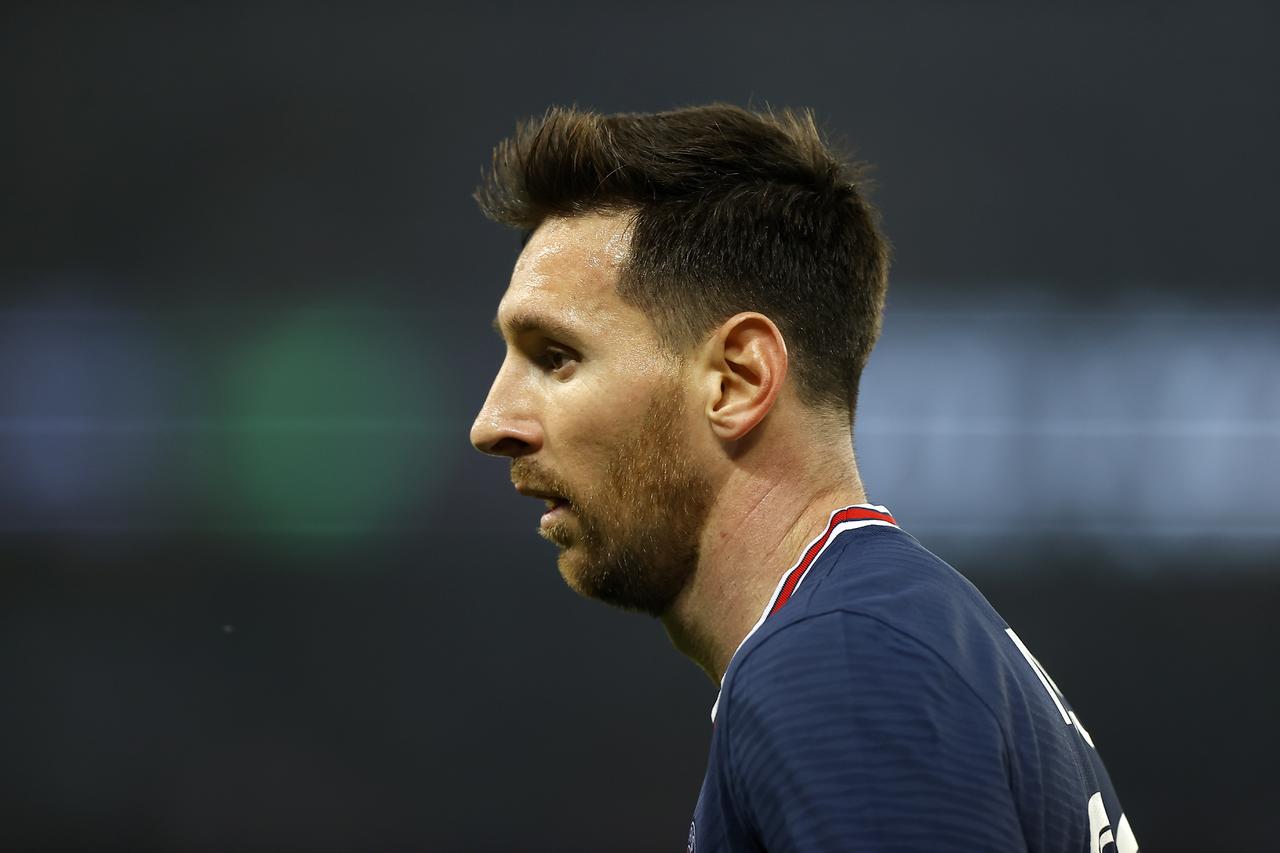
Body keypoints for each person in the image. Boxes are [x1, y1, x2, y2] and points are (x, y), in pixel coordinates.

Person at [468, 104, 1138, 853]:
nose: (492, 423)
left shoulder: (843, 665)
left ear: (737, 379)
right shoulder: (892, 634)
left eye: (555, 357)